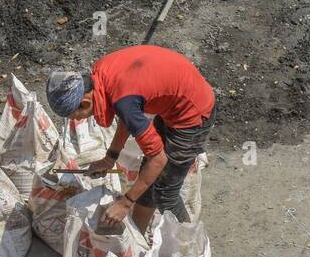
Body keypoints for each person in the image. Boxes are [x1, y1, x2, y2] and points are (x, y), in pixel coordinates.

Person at [45, 44, 216, 229]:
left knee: (166, 194)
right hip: (174, 102)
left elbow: (158, 159)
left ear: (85, 103)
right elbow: (126, 117)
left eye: (78, 116)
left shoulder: (123, 99)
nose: (81, 119)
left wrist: (125, 202)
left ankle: (190, 248)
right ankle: (138, 240)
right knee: (147, 178)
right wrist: (110, 158)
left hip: (193, 113)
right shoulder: (99, 74)